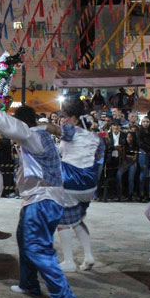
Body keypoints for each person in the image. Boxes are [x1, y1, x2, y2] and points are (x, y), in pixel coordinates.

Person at [0, 102, 77, 298]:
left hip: (43, 199)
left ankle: (63, 295)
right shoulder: (37, 135)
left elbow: (12, 127)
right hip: (37, 198)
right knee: (24, 238)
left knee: (35, 245)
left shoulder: (33, 137)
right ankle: (28, 283)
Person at [45, 99, 101, 273]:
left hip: (71, 180)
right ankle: (88, 256)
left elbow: (56, 130)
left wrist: (36, 125)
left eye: (65, 117)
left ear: (74, 118)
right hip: (90, 184)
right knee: (77, 220)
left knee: (61, 221)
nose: (63, 120)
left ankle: (68, 260)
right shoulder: (92, 135)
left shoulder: (70, 129)